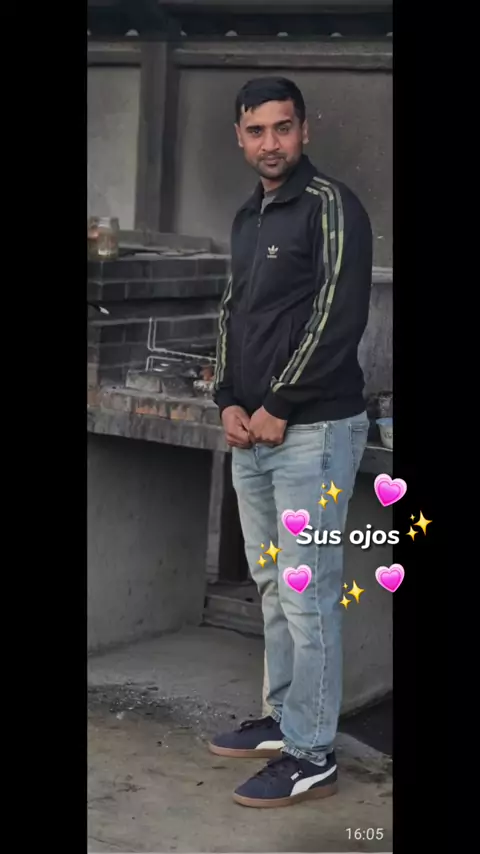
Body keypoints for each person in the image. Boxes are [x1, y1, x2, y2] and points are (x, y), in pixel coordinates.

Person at [210, 77, 372, 808]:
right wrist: (228, 399)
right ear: (240, 137)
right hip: (254, 430)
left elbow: (339, 313)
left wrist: (279, 402)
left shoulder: (331, 205)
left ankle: (312, 754)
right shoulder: (250, 216)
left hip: (313, 431)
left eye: (282, 128)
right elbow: (232, 311)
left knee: (308, 594)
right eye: (256, 131)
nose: (270, 143)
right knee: (274, 585)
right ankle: (283, 719)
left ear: (304, 129)